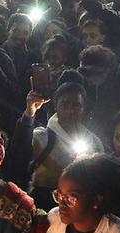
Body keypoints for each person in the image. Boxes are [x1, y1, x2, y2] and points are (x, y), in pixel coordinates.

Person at [28, 81, 104, 211]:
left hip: (79, 207)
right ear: (56, 106)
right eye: (65, 104)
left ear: (84, 109)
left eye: (76, 105)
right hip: (43, 204)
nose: (70, 110)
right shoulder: (40, 137)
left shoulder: (94, 142)